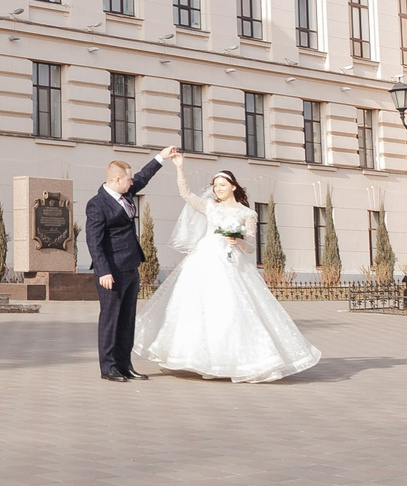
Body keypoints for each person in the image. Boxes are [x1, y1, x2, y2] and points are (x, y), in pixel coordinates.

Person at [134, 156, 324, 383]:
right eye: (215, 186)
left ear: (233, 186)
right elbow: (186, 194)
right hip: (203, 261)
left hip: (231, 263)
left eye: (222, 185)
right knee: (197, 309)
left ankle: (231, 362)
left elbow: (252, 246)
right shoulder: (210, 207)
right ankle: (200, 360)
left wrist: (239, 242)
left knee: (229, 309)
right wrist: (180, 168)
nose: (218, 189)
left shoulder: (247, 214)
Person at [83, 147, 177, 382]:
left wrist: (161, 157)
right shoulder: (97, 204)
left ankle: (125, 365)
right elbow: (94, 241)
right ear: (116, 179)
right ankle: (109, 367)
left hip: (130, 267)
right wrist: (103, 270)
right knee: (110, 319)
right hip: (111, 272)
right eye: (128, 178)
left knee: (127, 320)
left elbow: (144, 177)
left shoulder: (125, 193)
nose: (132, 181)